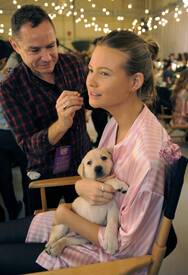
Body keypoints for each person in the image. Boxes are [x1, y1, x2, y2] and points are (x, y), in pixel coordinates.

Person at [0, 30, 181, 275]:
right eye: (91, 69)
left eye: (104, 73)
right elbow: (97, 174)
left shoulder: (147, 159)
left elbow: (126, 249)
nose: (90, 81)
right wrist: (80, 186)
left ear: (135, 82)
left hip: (97, 256)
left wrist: (66, 215)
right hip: (86, 216)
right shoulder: (117, 122)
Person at [0, 5, 91, 213]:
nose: (48, 57)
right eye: (35, 50)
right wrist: (61, 124)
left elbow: (94, 100)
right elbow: (29, 147)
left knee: (87, 227)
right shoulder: (10, 89)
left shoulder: (72, 65)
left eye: (52, 45)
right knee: (43, 233)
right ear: (15, 45)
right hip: (43, 174)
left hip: (82, 165)